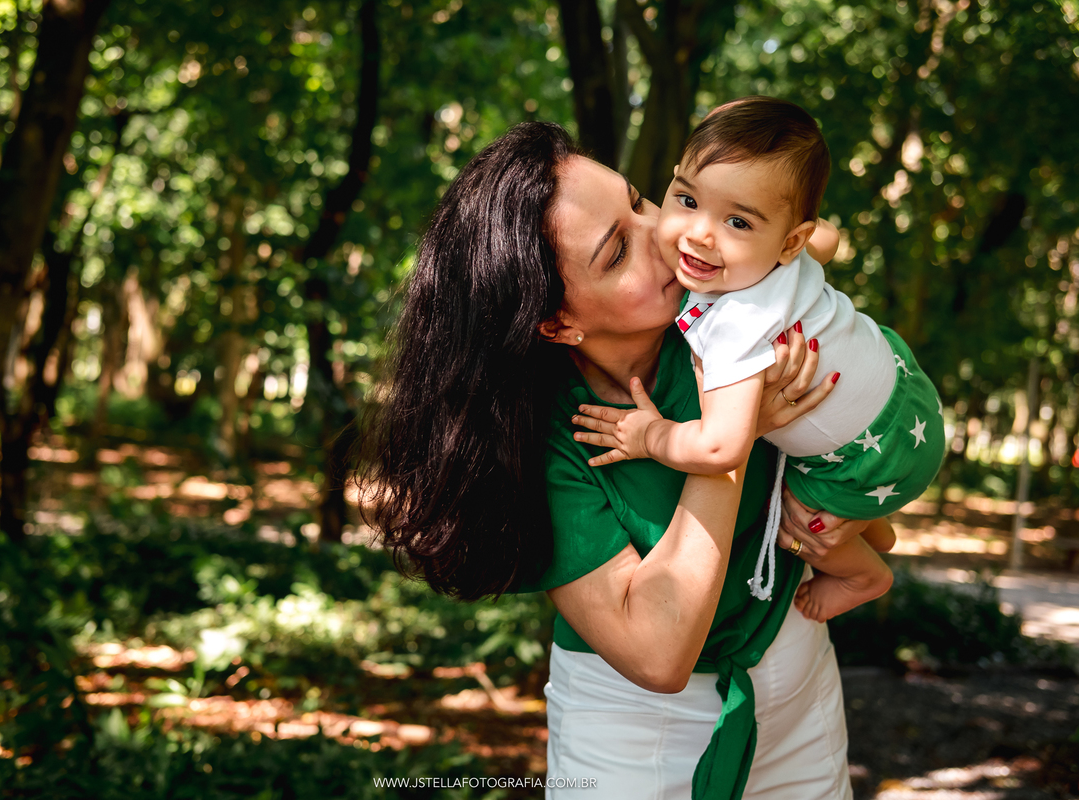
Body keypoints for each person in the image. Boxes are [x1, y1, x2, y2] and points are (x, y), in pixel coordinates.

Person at [360, 121, 872, 799]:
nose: (666, 233)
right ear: (557, 322)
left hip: (798, 678)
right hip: (636, 732)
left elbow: (861, 461)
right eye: (617, 251)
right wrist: (732, 441)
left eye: (641, 201)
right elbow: (657, 651)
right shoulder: (539, 443)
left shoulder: (732, 302)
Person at [574, 97, 944, 625]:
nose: (701, 233)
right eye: (686, 198)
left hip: (871, 456)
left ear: (789, 240)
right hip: (904, 389)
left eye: (738, 223)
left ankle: (864, 574)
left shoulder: (734, 326)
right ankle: (872, 524)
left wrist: (648, 436)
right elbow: (829, 236)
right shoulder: (784, 252)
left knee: (793, 507)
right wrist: (757, 222)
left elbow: (721, 447)